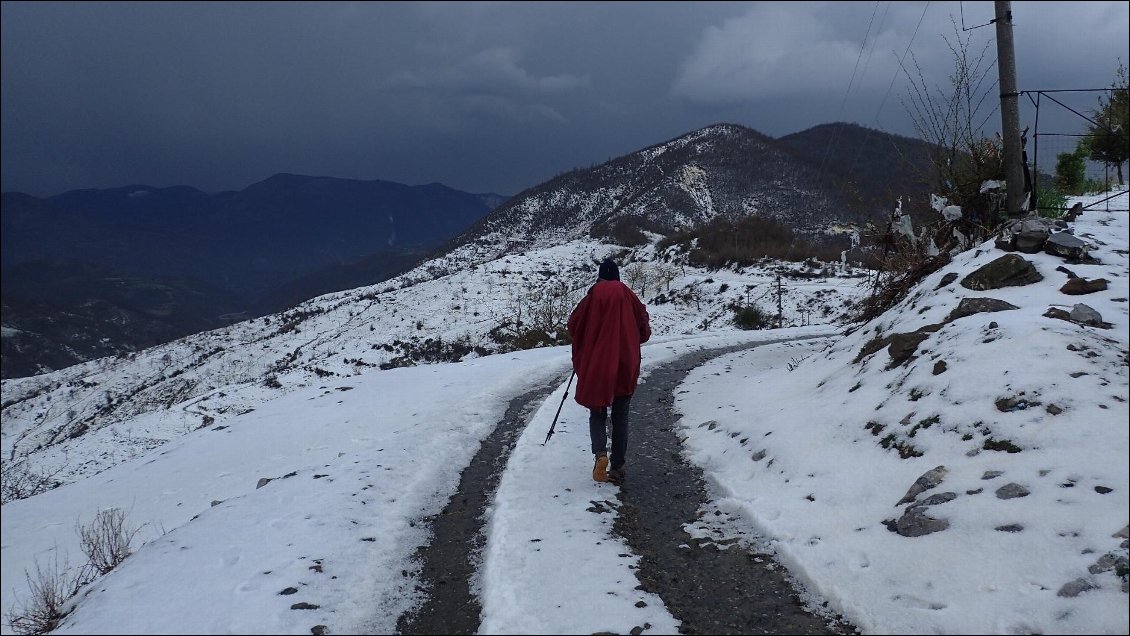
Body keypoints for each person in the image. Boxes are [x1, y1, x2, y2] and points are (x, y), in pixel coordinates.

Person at [566, 258, 651, 485]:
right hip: (625, 363)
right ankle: (618, 468)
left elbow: (573, 326)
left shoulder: (592, 297)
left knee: (597, 411)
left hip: (598, 365)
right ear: (617, 276)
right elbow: (644, 328)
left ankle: (600, 453)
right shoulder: (628, 295)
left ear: (600, 276)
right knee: (621, 415)